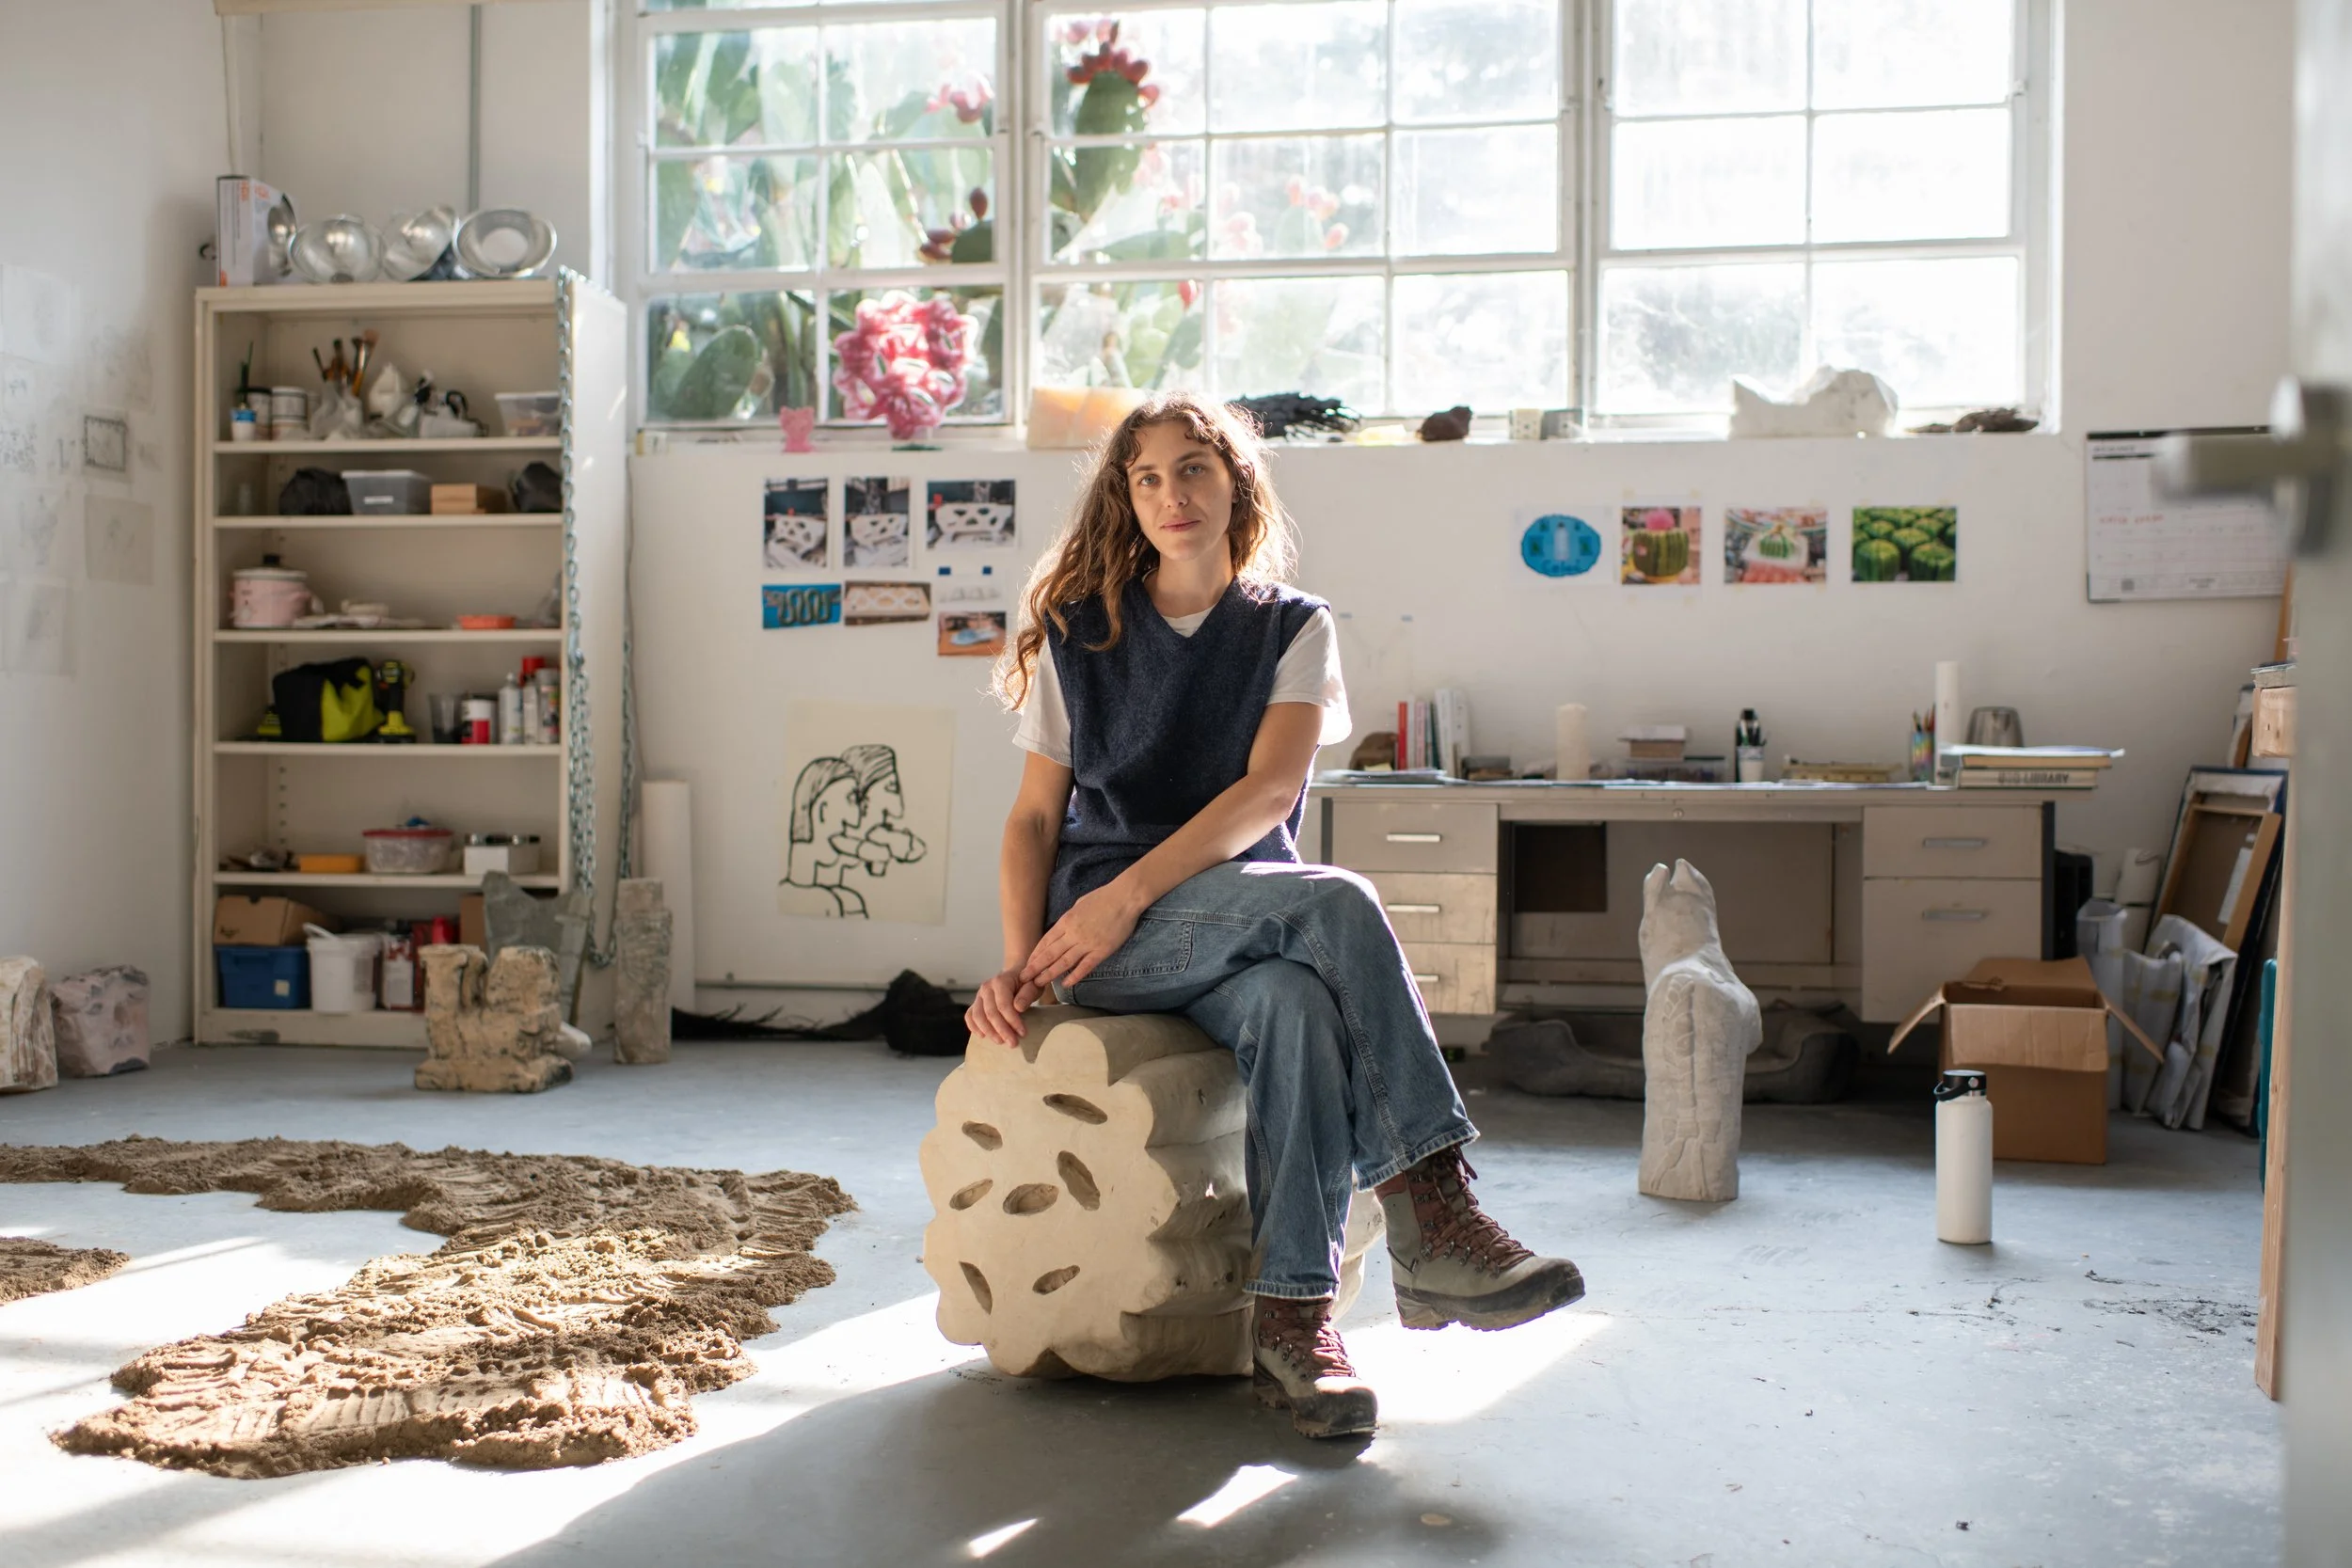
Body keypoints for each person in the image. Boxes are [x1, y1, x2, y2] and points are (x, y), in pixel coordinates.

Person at [969, 392, 1583, 1439]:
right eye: (1147, 476)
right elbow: (1033, 818)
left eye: (1193, 468)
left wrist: (1133, 891)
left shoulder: (1293, 627)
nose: (1171, 493)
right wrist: (1022, 963)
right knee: (1336, 900)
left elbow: (1268, 792)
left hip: (1237, 915)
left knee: (1297, 1003)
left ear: (1235, 484)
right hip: (1105, 933)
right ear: (1126, 498)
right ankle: (1435, 1218)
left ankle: (1294, 1325)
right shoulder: (1081, 631)